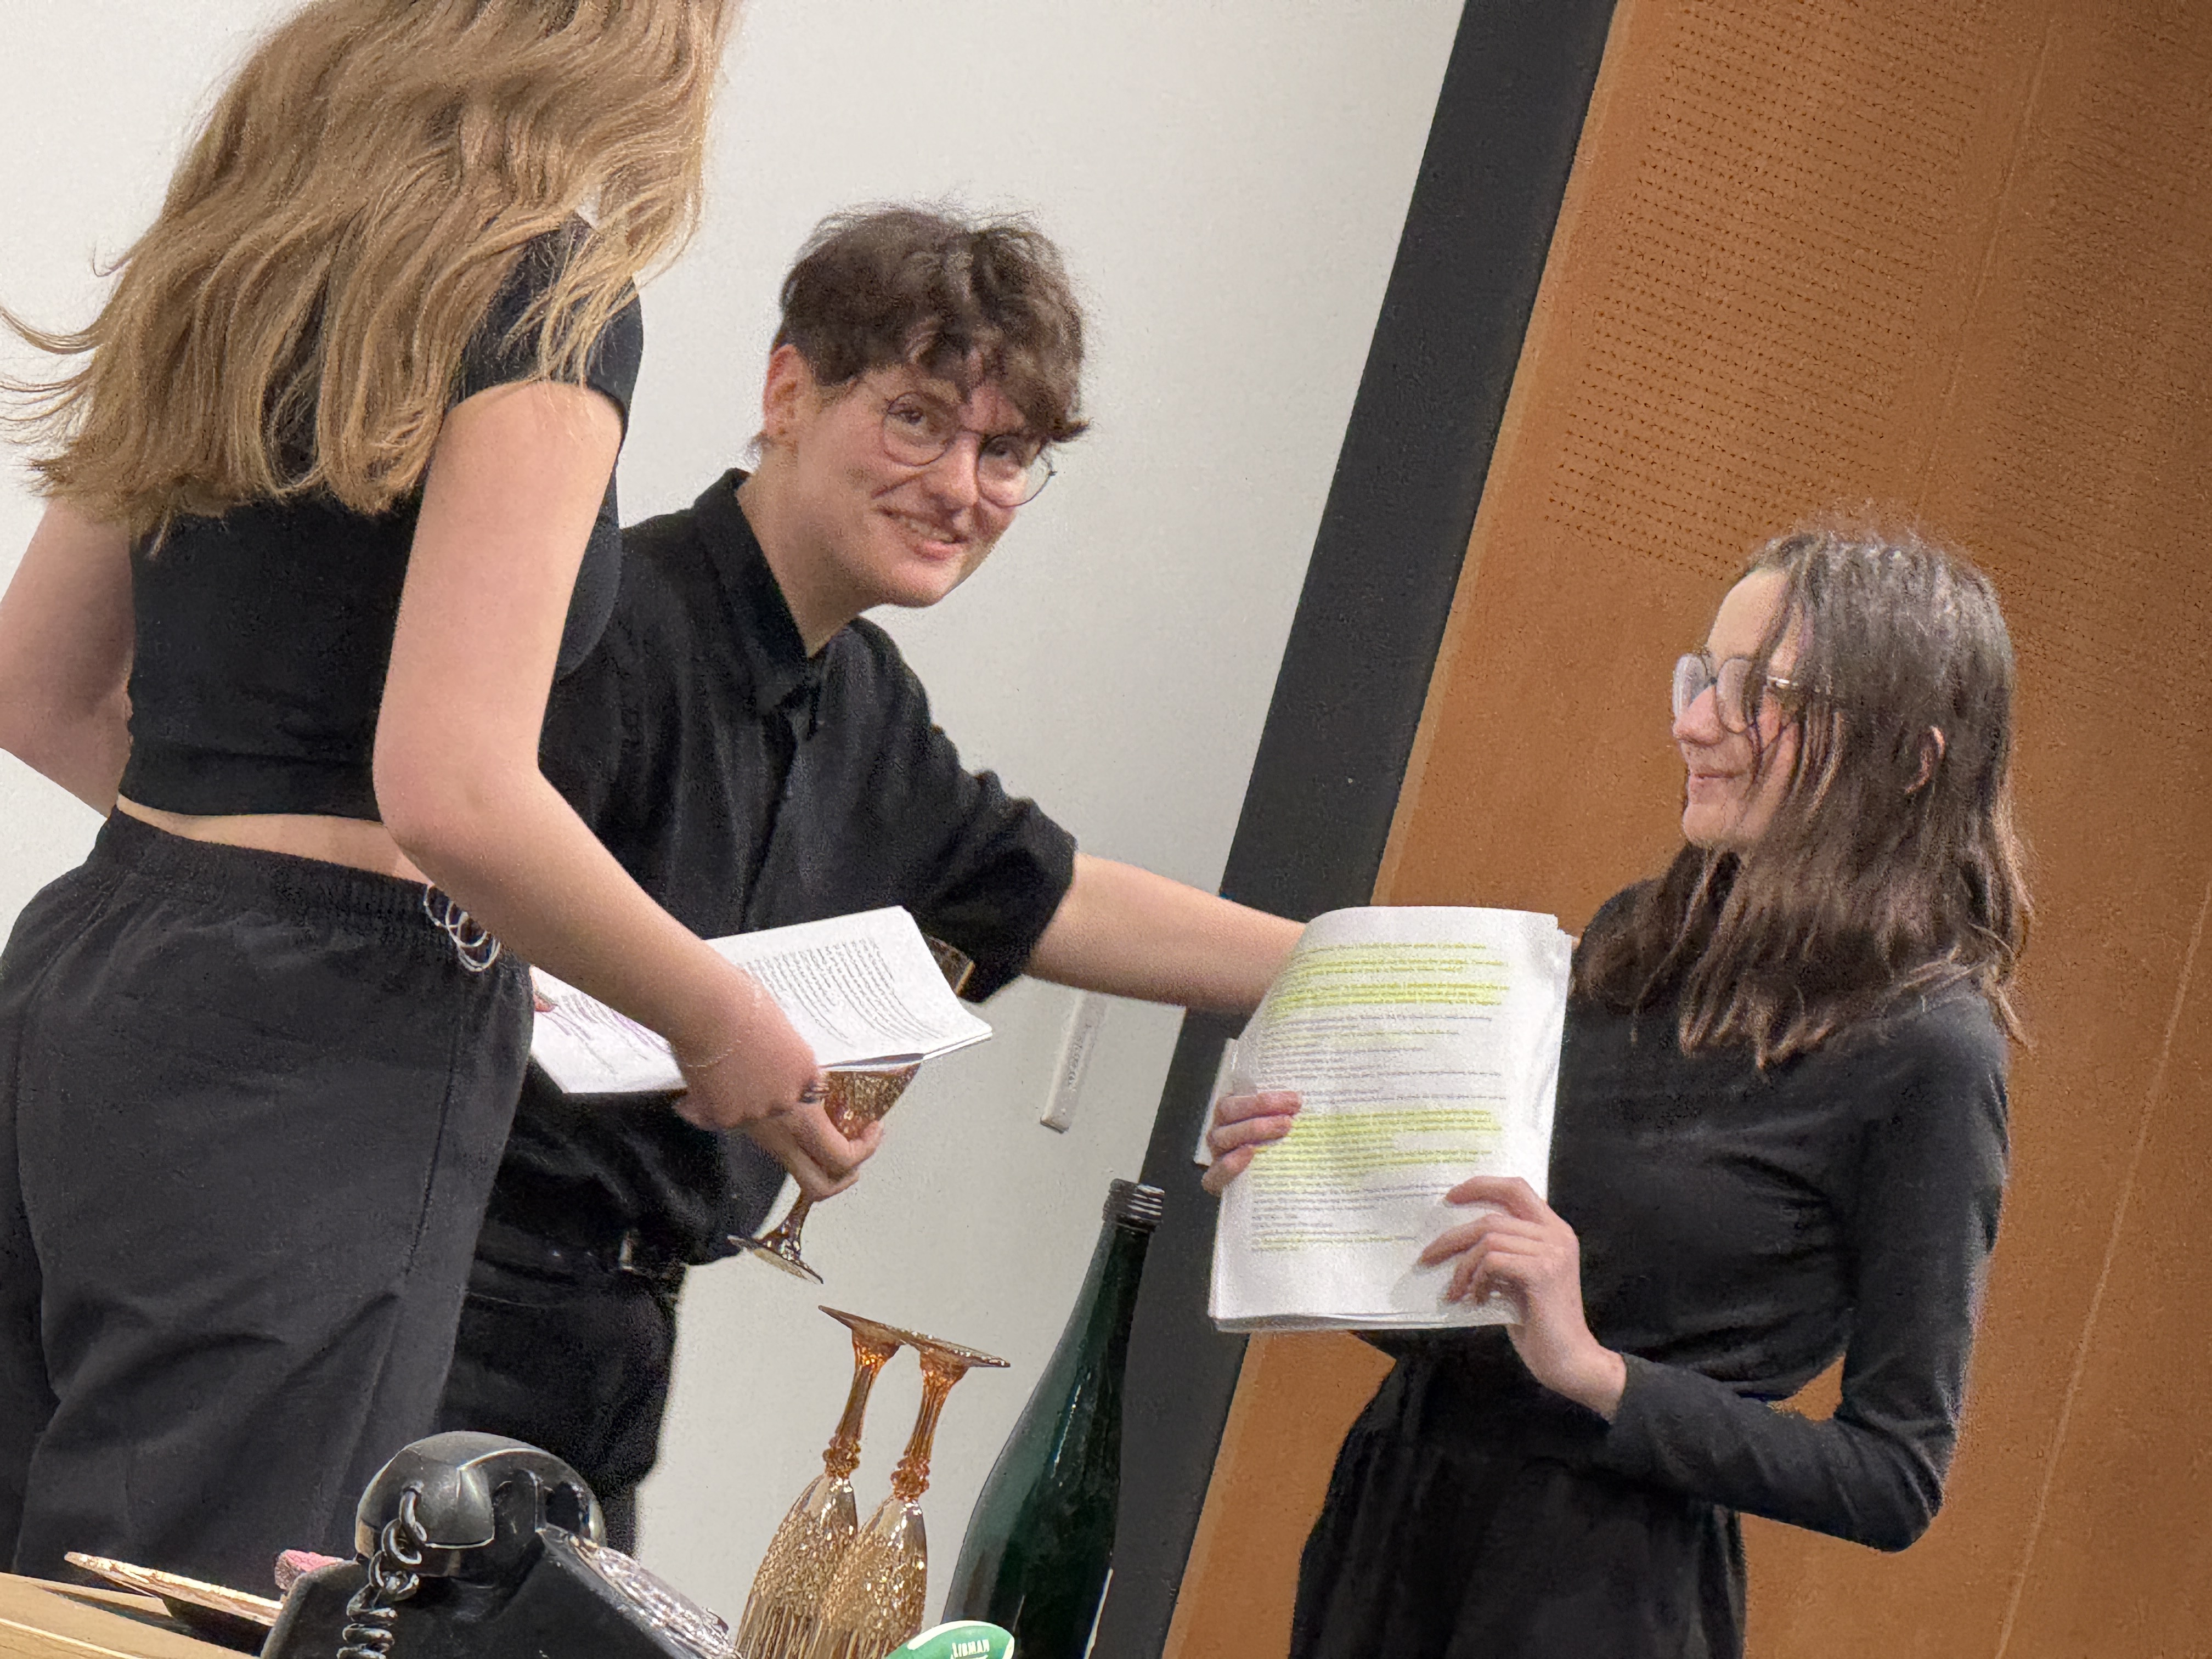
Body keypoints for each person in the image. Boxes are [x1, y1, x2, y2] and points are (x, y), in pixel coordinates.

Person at [0, 0, 878, 1591]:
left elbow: (34, 685)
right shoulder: (543, 295)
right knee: (174, 1611)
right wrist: (711, 1019)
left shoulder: (231, 251)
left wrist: (239, 876)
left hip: (88, 972)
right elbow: (455, 786)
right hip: (319, 1051)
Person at [436, 205, 1304, 1549]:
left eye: (1004, 451)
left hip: (613, 1344)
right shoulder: (618, 622)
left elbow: (1050, 894)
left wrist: (1356, 971)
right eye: (916, 421)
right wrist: (724, 1043)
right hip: (456, 1298)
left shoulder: (866, 699)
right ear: (787, 394)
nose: (960, 486)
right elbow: (462, 938)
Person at [1204, 524, 2028, 1658]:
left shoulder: (1933, 1052)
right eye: (1704, 680)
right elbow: (1484, 1308)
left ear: (1910, 760)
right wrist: (1304, 1187)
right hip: (1391, 1531)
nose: (1695, 724)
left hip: (1597, 1597)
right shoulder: (1639, 938)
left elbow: (1893, 1477)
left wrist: (1598, 1374)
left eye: (1760, 695)